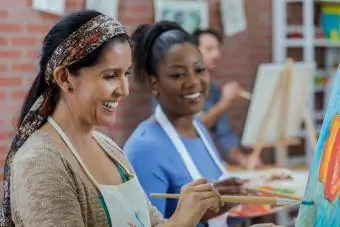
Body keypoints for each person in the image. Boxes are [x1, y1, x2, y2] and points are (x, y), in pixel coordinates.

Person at [0, 10, 224, 227]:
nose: (124, 90)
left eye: (125, 74)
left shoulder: (109, 148)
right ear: (65, 78)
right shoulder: (39, 162)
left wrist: (189, 211)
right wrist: (180, 222)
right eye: (110, 76)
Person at [124, 21, 252, 227]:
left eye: (199, 70)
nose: (194, 82)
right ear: (154, 83)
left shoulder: (199, 129)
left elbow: (205, 212)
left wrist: (221, 202)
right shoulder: (144, 149)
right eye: (178, 74)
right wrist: (197, 211)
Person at [191, 29, 262, 168]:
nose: (217, 54)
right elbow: (193, 128)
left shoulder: (215, 91)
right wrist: (225, 102)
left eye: (217, 49)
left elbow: (225, 136)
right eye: (209, 49)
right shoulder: (179, 89)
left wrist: (243, 160)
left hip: (213, 168)